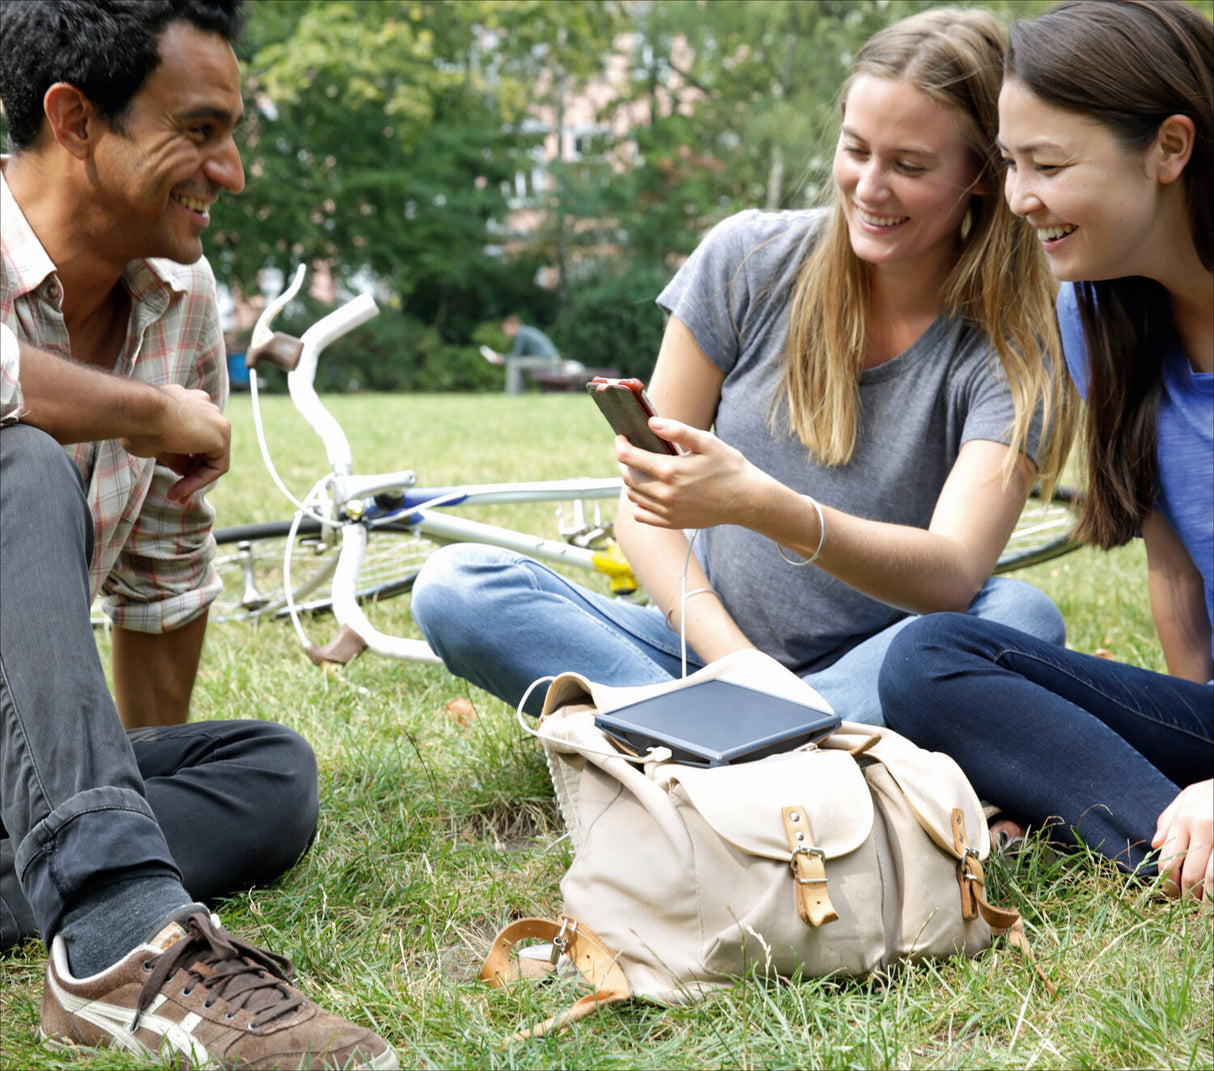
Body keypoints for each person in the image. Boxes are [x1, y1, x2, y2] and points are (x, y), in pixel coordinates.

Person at [412, 7, 1077, 723]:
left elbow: (951, 577)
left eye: (909, 166)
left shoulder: (1013, 346)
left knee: (1021, 617)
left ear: (981, 175)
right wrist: (738, 665)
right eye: (856, 150)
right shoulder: (749, 260)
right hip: (698, 649)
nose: (869, 187)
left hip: (881, 662)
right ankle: (774, 735)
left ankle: (704, 734)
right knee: (455, 584)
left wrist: (762, 505)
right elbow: (643, 514)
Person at [0, 3, 396, 1066]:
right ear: (75, 119)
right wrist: (147, 412)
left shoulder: (181, 298)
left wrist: (117, 793)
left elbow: (166, 576)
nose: (231, 171)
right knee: (16, 459)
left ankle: (97, 856)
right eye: (202, 130)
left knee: (271, 777)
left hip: (23, 764)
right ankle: (113, 934)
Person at [879, 0, 1213, 900]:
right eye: (1010, 162)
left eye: (1049, 164)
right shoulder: (1097, 317)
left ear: (1170, 149)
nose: (1019, 197)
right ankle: (1174, 848)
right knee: (928, 658)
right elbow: (1179, 575)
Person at [480, 314, 561, 394]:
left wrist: (501, 359)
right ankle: (519, 393)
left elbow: (516, 357)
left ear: (512, 326)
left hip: (547, 361)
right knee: (517, 364)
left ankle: (512, 394)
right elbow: (520, 357)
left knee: (513, 364)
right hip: (550, 359)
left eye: (505, 329)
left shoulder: (521, 334)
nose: (505, 333)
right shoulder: (525, 331)